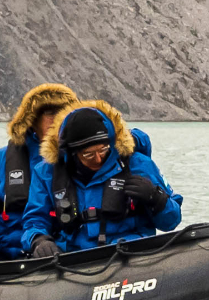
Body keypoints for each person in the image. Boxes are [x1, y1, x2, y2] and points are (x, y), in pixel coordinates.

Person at [28, 100, 181, 255]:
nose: (98, 159)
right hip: (73, 259)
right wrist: (39, 240)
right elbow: (35, 219)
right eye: (88, 154)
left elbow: (172, 222)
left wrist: (156, 198)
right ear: (72, 153)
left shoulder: (139, 165)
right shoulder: (47, 173)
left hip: (131, 255)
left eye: (103, 150)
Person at [0, 82, 77, 262]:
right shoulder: (0, 160)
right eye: (50, 113)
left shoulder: (82, 156)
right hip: (9, 255)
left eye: (64, 113)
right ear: (32, 119)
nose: (58, 119)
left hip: (61, 252)